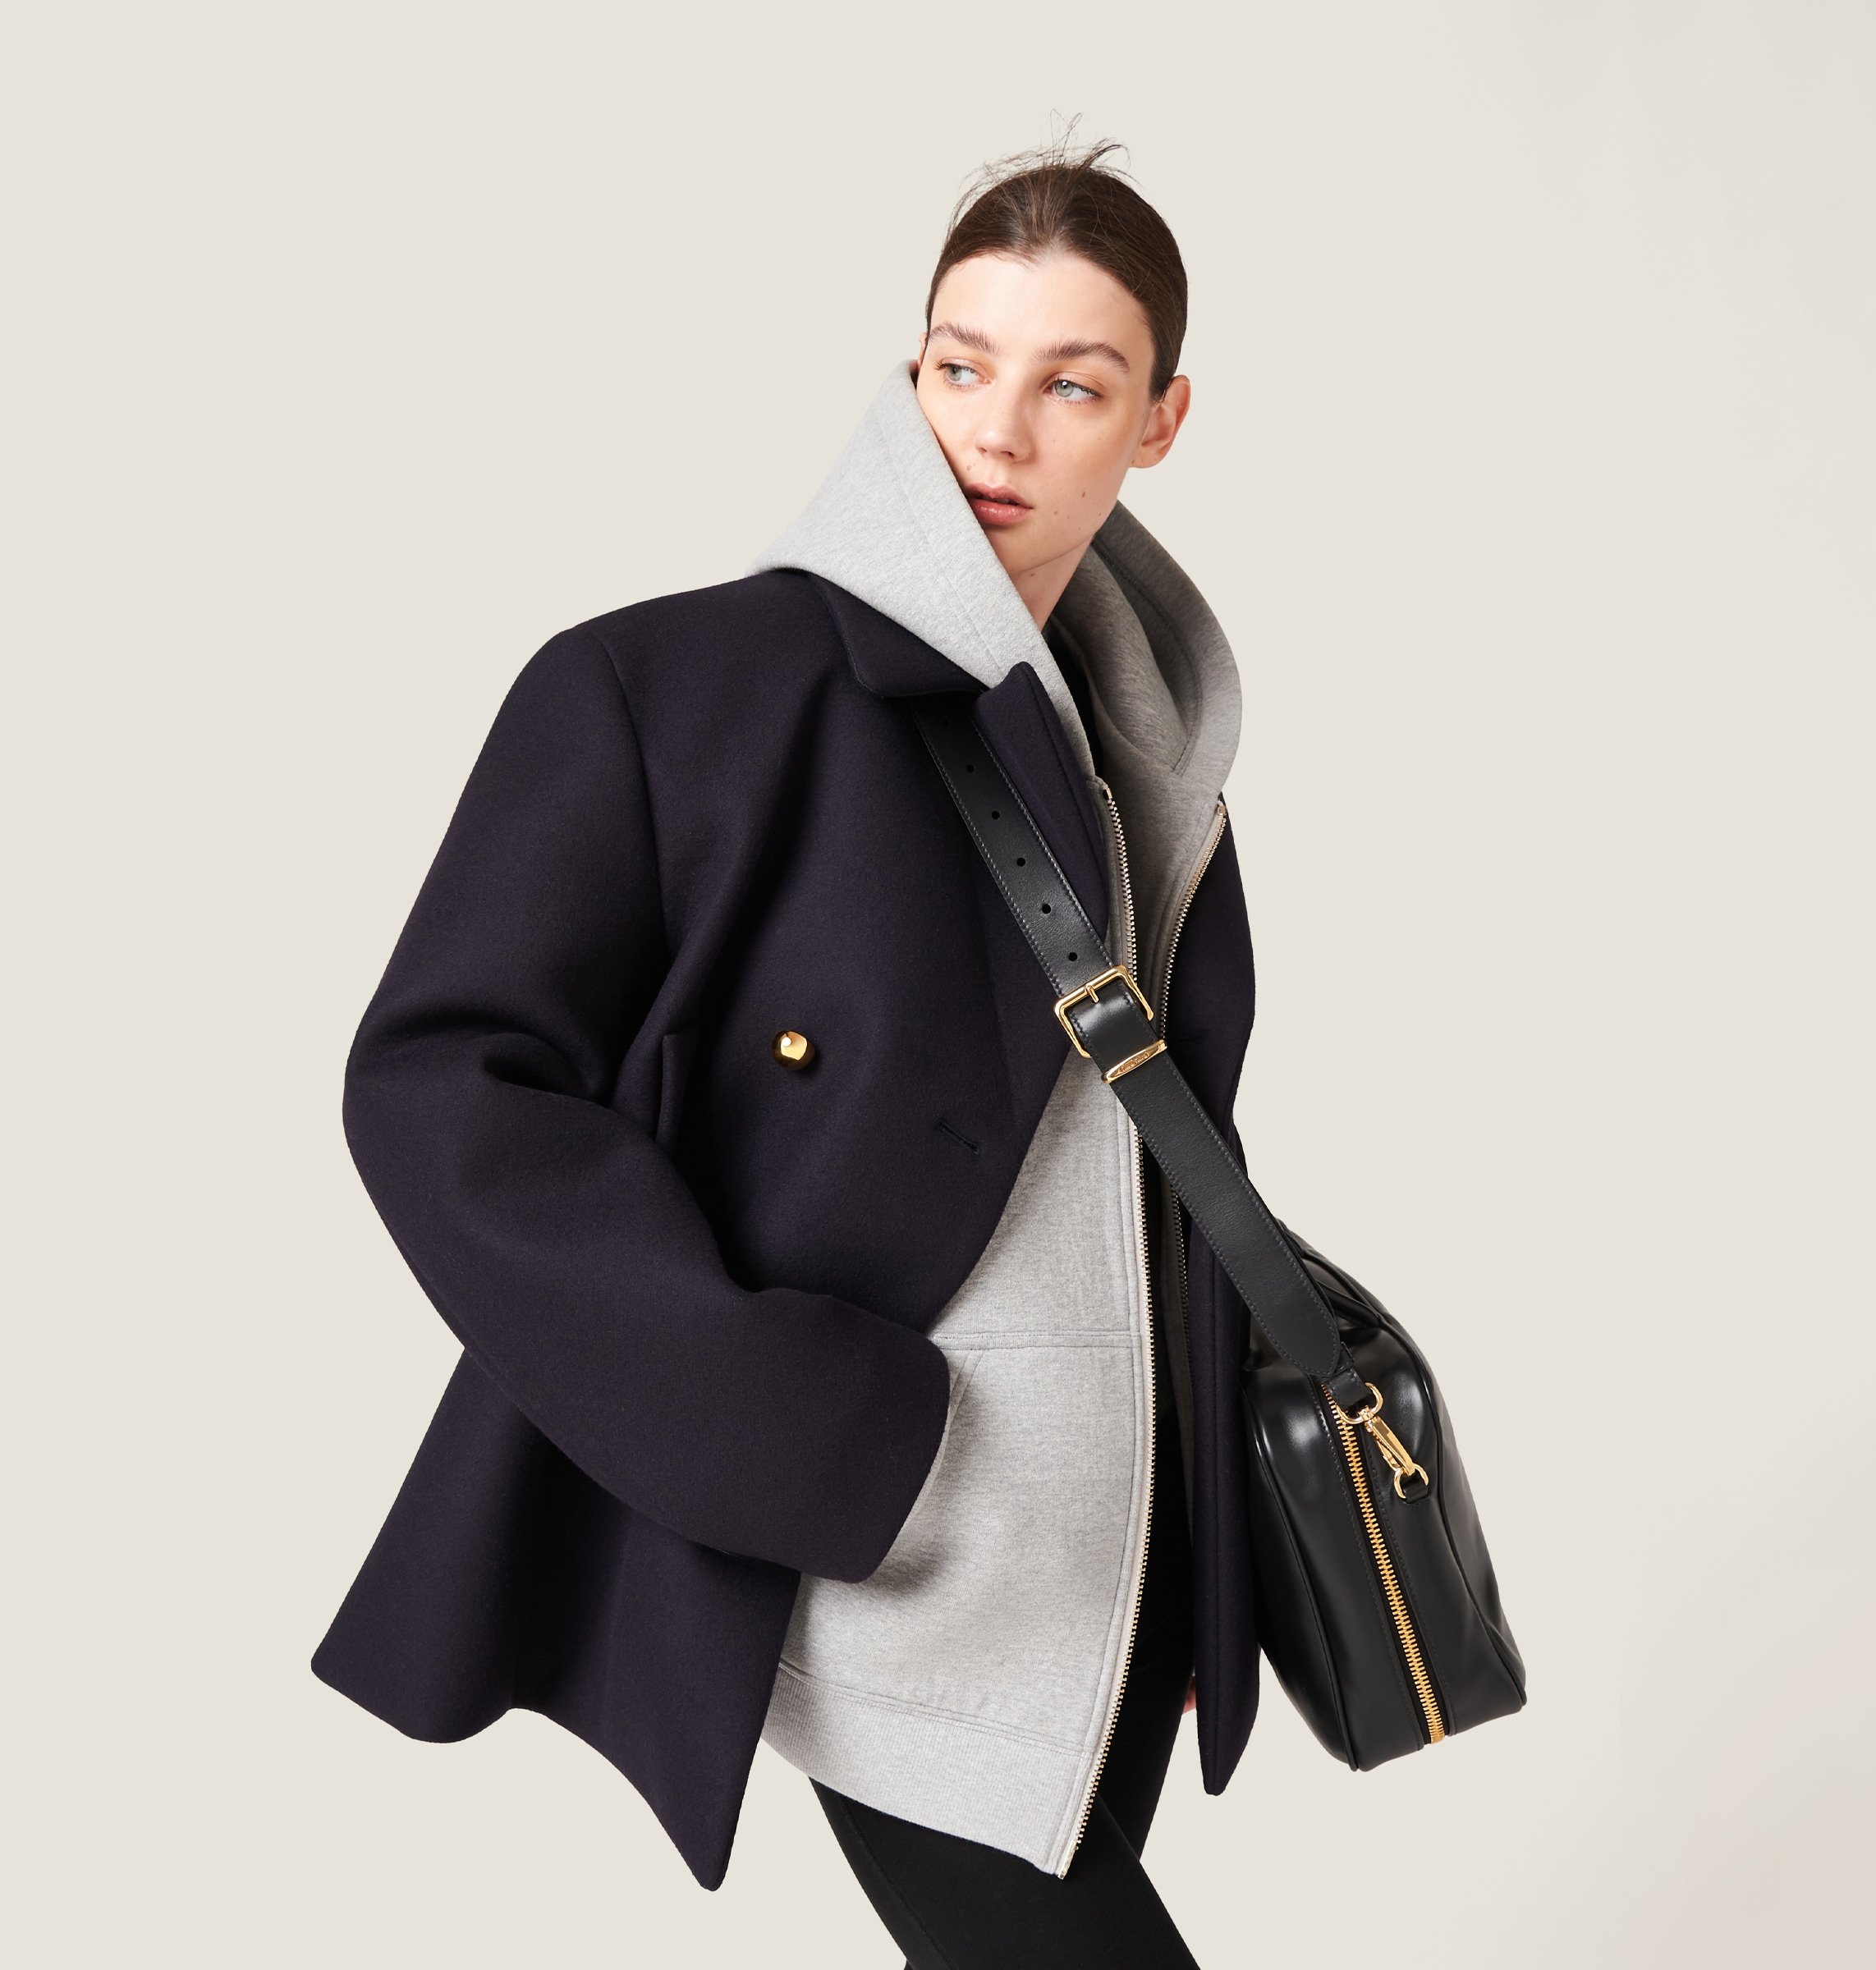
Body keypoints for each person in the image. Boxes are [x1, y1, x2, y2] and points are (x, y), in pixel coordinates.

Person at [315, 140, 1265, 1969]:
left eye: (1074, 385)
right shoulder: (673, 690)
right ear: (911, 368)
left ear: (1159, 422)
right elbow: (439, 1087)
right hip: (902, 1554)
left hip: (1119, 1557)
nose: (997, 429)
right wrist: (784, 1425)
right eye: (961, 364)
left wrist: (1210, 1473)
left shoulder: (1150, 755)